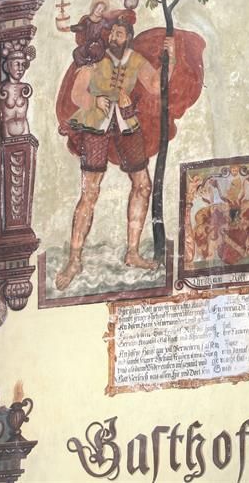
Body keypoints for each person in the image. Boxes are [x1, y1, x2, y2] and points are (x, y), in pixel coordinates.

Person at [55, 15, 175, 291]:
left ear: (128, 37)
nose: (114, 37)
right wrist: (96, 98)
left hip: (126, 122)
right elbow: (77, 94)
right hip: (95, 124)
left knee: (143, 185)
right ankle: (74, 260)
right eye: (113, 33)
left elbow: (156, 85)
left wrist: (173, 58)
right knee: (90, 191)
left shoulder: (135, 60)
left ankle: (132, 252)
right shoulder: (95, 57)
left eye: (119, 34)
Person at [58, 0, 112, 68]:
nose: (99, 11)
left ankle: (93, 61)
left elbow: (110, 26)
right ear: (94, 7)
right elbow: (79, 27)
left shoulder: (103, 21)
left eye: (102, 10)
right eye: (98, 8)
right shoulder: (87, 20)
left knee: (97, 51)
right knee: (76, 52)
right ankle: (85, 63)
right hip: (88, 43)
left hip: (98, 43)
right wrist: (68, 28)